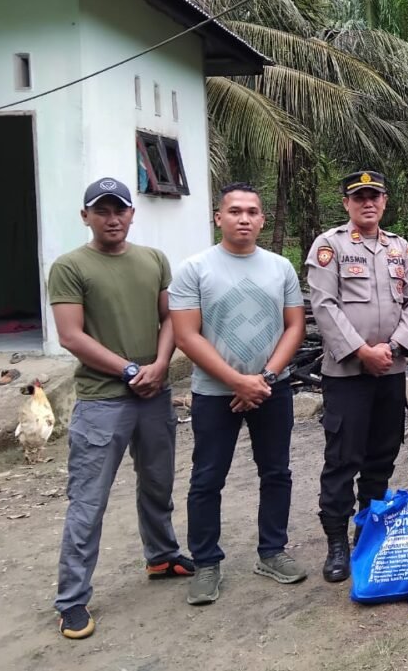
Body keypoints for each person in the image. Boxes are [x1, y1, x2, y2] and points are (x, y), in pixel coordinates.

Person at [49, 177, 192, 639]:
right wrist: (133, 371)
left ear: (132, 214)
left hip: (154, 395)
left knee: (157, 483)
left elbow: (170, 317)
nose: (112, 219)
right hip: (102, 401)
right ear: (85, 216)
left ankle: (162, 555)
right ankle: (72, 600)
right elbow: (72, 335)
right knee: (88, 502)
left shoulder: (153, 260)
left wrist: (161, 363)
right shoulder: (70, 266)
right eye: (102, 210)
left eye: (120, 210)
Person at [169, 183, 307, 606]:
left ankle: (272, 552)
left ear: (262, 219)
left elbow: (295, 327)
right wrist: (236, 380)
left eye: (251, 211)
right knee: (207, 478)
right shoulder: (194, 268)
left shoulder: (280, 267)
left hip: (272, 389)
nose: (243, 218)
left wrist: (263, 377)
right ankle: (207, 562)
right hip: (214, 393)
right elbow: (186, 335)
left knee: (276, 471)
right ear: (218, 217)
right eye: (234, 211)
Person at [306, 170, 408, 583]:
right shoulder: (329, 246)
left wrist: (390, 350)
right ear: (347, 204)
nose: (367, 203)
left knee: (382, 454)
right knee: (342, 459)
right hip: (347, 374)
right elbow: (324, 305)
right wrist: (362, 351)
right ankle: (337, 542)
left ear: (385, 201)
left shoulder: (399, 248)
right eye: (359, 198)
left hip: (389, 371)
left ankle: (367, 529)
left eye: (374, 196)